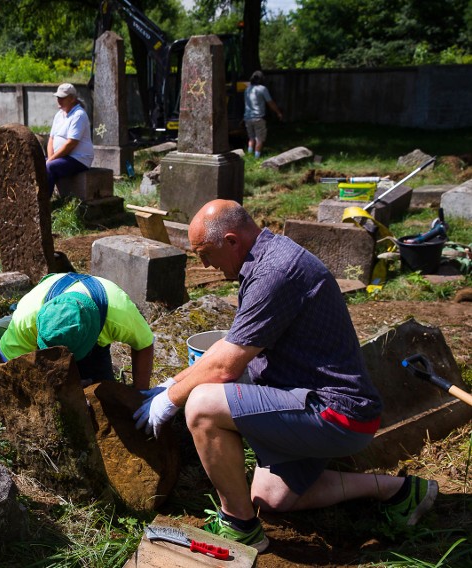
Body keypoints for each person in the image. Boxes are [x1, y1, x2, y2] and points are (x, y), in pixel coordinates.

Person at [133, 200, 438, 552]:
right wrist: (172, 384)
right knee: (271, 498)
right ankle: (399, 491)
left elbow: (226, 365)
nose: (204, 264)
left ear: (232, 240)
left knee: (201, 406)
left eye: (205, 253)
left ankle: (239, 525)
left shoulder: (276, 272)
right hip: (314, 402)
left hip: (337, 412)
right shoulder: (266, 261)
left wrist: (172, 401)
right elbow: (228, 347)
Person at [0, 272, 155, 424]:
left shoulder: (120, 312)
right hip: (32, 331)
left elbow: (144, 345)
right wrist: (53, 391)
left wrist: (140, 397)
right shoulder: (28, 317)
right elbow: (14, 368)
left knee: (104, 404)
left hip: (93, 344)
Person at [46, 83, 94, 196]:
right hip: (61, 157)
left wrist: (50, 161)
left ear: (72, 99)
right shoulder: (59, 114)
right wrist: (50, 157)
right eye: (58, 97)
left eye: (62, 98)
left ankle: (43, 203)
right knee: (37, 163)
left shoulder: (79, 115)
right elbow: (51, 139)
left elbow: (71, 144)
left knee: (50, 167)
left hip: (78, 159)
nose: (59, 100)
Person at [243, 70, 283, 159]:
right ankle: (257, 158)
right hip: (258, 118)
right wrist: (278, 112)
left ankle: (249, 156)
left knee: (251, 138)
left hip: (247, 117)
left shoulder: (247, 89)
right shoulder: (262, 89)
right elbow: (270, 102)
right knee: (259, 138)